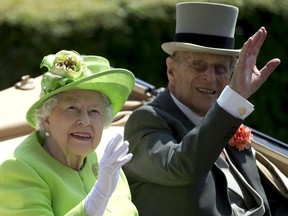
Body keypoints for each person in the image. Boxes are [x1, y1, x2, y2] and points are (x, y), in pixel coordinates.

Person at [123, 2, 286, 216]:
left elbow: (265, 202)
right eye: (198, 65)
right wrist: (232, 101)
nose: (210, 77)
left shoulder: (226, 119)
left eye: (220, 68)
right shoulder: (147, 121)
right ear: (171, 70)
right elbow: (183, 165)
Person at [0, 50, 139, 216]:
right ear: (47, 118)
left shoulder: (107, 161)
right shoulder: (19, 169)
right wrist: (98, 198)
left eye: (94, 111)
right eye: (72, 108)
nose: (85, 121)